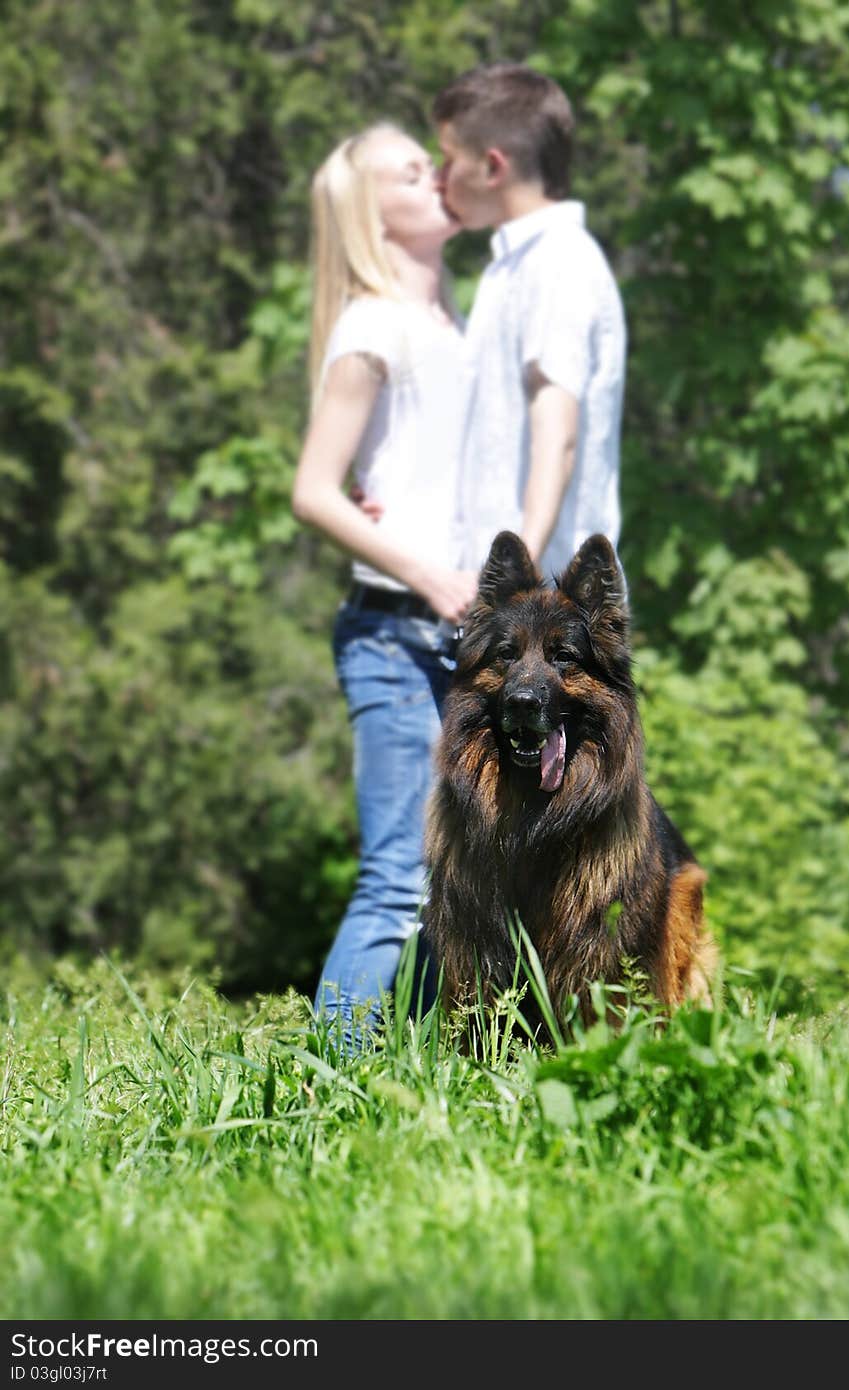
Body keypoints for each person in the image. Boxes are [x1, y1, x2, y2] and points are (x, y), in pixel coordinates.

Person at [291, 124, 477, 1047]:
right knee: (401, 879)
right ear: (373, 216)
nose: (438, 175)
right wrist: (431, 575)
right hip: (398, 636)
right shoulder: (373, 324)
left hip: (458, 638)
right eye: (412, 171)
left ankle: (403, 1088)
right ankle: (324, 1100)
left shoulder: (458, 321)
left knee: (456, 880)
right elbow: (313, 490)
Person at [433, 63, 627, 579]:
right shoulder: (512, 268)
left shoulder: (559, 262)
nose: (439, 177)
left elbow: (557, 434)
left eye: (448, 159)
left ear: (493, 167)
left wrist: (517, 571)